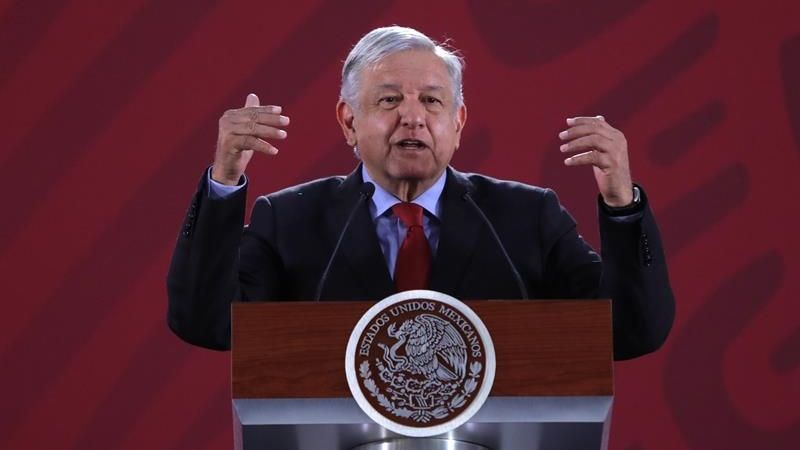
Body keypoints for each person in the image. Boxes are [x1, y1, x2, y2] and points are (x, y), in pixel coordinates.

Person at [166, 26, 675, 360]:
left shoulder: (525, 216)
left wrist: (621, 205)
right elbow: (206, 323)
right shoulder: (290, 220)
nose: (412, 117)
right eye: (389, 100)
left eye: (432, 101)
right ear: (348, 121)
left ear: (458, 122)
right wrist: (224, 181)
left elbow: (629, 332)